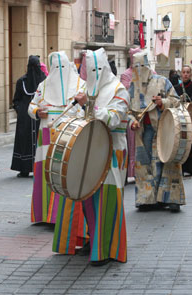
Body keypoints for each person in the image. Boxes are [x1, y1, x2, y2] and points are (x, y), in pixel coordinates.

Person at [65, 48, 129, 266]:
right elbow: (74, 114)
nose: (94, 74)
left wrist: (88, 105)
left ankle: (108, 248)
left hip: (113, 149)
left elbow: (112, 119)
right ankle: (94, 240)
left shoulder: (119, 90)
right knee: (87, 195)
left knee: (108, 197)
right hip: (89, 149)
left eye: (97, 69)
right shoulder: (84, 89)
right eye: (90, 70)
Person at [28, 51, 85, 224]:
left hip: (70, 134)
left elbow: (86, 109)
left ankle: (64, 215)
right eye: (56, 67)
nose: (59, 71)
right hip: (46, 135)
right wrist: (38, 112)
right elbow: (31, 106)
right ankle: (46, 215)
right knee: (47, 171)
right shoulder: (43, 86)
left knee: (66, 171)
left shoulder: (81, 85)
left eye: (63, 67)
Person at [129, 50, 184, 212]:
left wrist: (162, 102)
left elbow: (176, 101)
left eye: (142, 65)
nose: (140, 69)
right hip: (143, 132)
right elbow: (127, 112)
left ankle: (170, 198)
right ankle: (147, 199)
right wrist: (133, 122)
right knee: (145, 164)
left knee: (167, 161)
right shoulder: (131, 88)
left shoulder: (162, 82)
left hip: (164, 129)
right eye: (136, 66)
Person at [11, 56, 46, 178]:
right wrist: (20, 110)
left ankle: (38, 167)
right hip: (25, 118)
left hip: (40, 115)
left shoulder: (44, 81)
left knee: (39, 139)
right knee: (24, 140)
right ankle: (24, 168)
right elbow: (16, 99)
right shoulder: (22, 81)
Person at [174, 65, 192, 176]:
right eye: (184, 72)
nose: (185, 74)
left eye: (187, 72)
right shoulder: (177, 87)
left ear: (190, 74)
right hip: (181, 118)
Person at [120, 48, 142, 181]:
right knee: (131, 143)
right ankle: (132, 171)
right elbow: (126, 91)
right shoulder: (126, 74)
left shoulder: (150, 72)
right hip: (132, 113)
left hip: (146, 113)